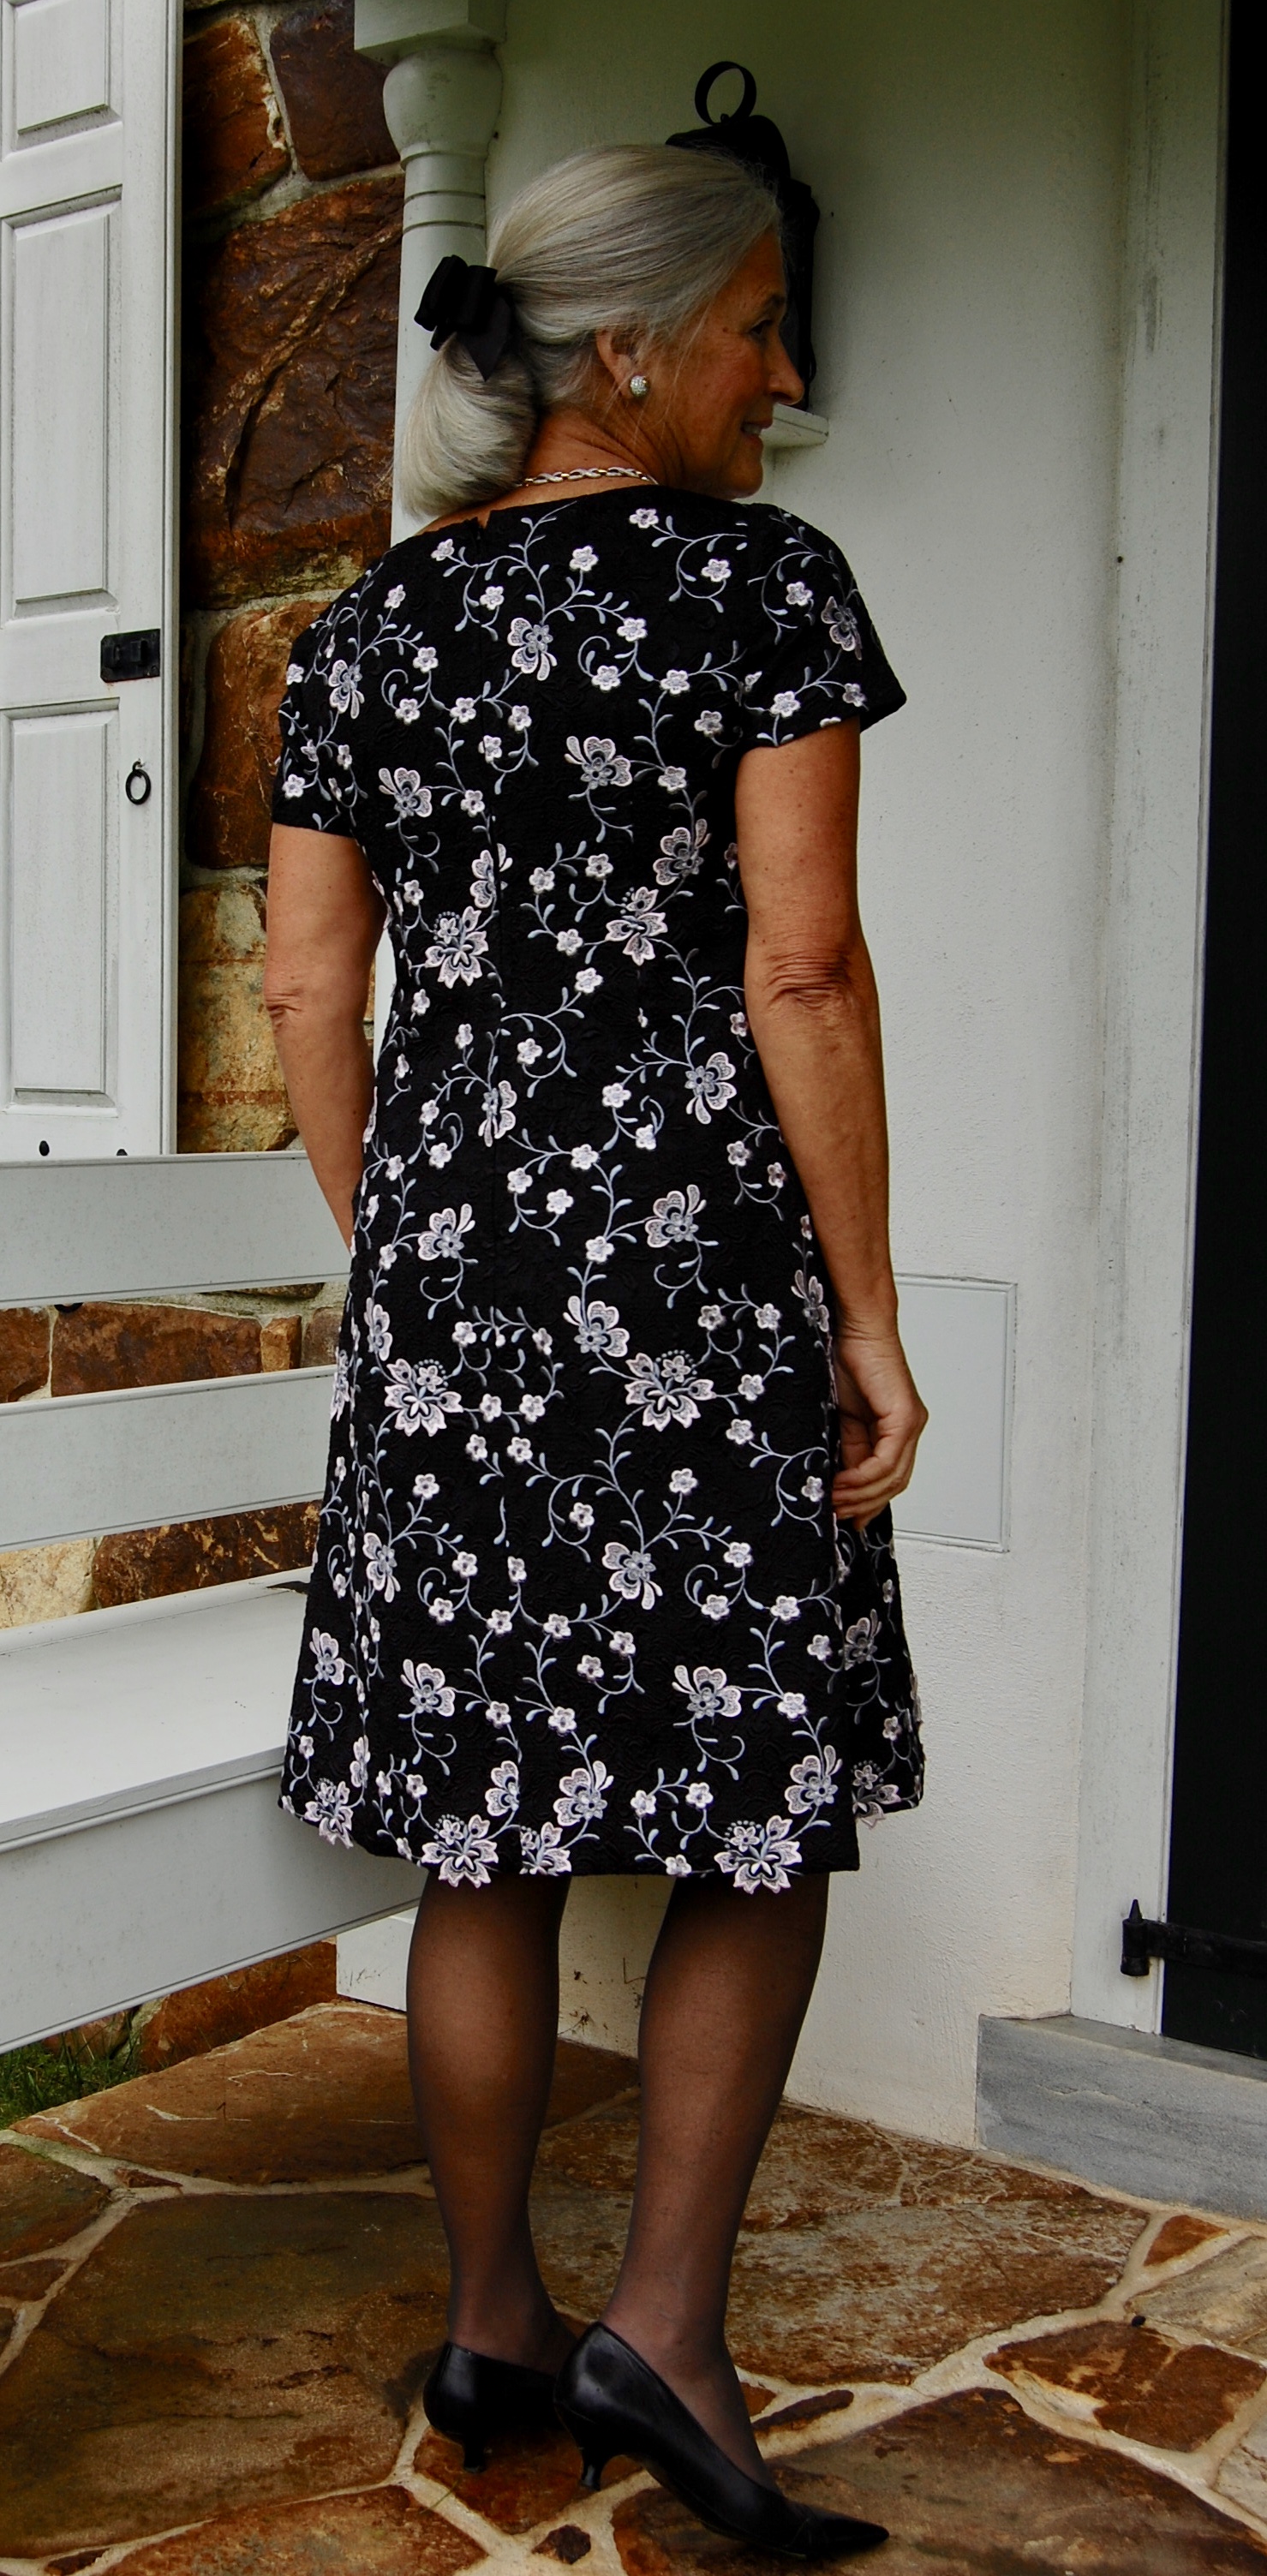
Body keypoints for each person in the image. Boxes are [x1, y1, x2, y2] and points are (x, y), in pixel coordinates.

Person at [265, 142, 925, 2561]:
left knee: (488, 1828)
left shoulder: (371, 628)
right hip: (700, 1294)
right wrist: (868, 1319)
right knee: (757, 1806)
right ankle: (665, 2324)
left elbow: (307, 987)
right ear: (630, 352)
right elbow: (802, 966)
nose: (786, 372)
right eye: (758, 325)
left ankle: (492, 2325)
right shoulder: (762, 588)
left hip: (460, 1310)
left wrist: (416, 1241)